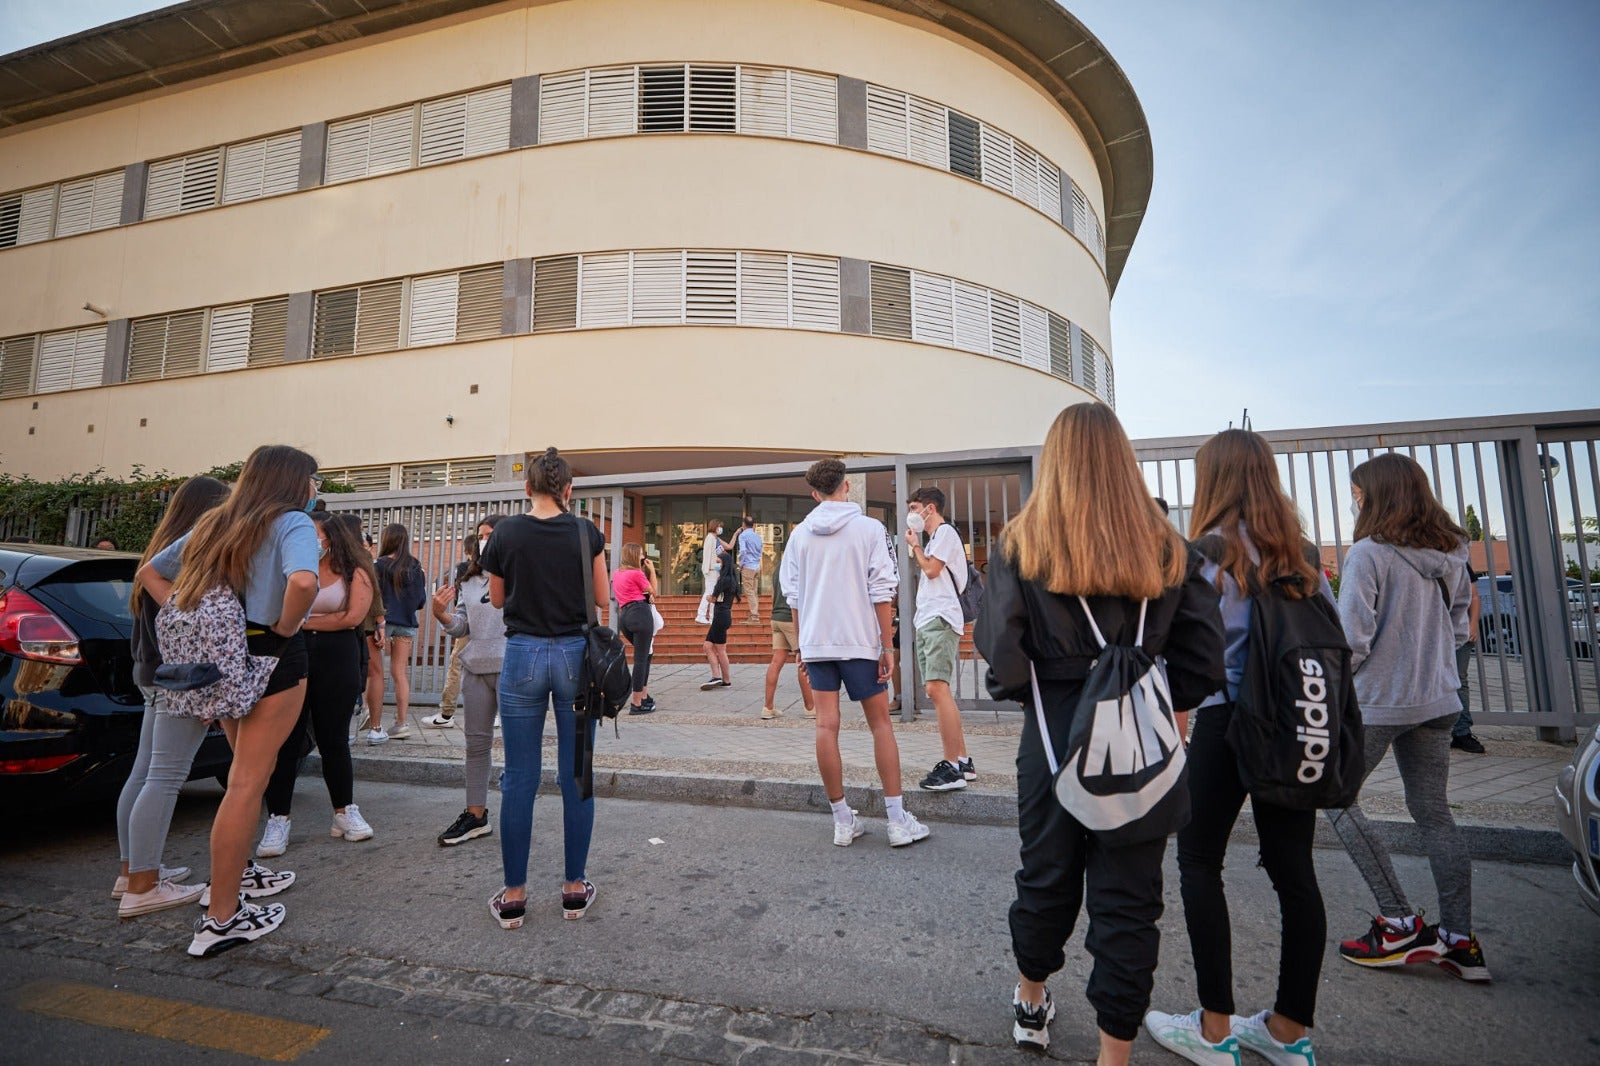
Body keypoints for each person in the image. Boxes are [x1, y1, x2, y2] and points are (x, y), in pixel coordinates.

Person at [974, 404, 1224, 1060]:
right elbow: (1202, 663)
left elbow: (1001, 665)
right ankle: (1115, 1054)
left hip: (1055, 735)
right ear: (1124, 461)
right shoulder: (1169, 547)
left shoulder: (1020, 545)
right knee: (1131, 898)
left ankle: (1032, 1003)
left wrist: (1044, 684)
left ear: (1052, 462)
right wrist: (1164, 699)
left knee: (1046, 874)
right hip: (1140, 735)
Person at [1143, 429, 1331, 1066]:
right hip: (1291, 725)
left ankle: (1215, 1029)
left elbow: (1183, 653)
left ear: (1212, 481)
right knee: (1294, 874)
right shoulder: (1300, 554)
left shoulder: (1204, 553)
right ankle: (1288, 1031)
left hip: (1224, 723)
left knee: (1199, 861)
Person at [139, 444, 322, 957]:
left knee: (241, 778)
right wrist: (286, 627)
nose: (315, 489)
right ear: (292, 481)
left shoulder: (219, 521)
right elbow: (304, 581)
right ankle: (222, 917)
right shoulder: (293, 524)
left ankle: (233, 886)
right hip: (275, 657)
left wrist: (198, 616)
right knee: (246, 785)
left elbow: (152, 573)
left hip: (225, 661)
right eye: (313, 479)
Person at [1327, 453, 1488, 981]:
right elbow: (1462, 621)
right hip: (1440, 700)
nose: (1356, 502)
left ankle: (1397, 922)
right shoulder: (1451, 552)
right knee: (1434, 813)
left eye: (1358, 493)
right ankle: (1460, 942)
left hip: (1378, 702)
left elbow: (1352, 639)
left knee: (1336, 798)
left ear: (1378, 495)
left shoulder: (1368, 554)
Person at [478, 447, 607, 929]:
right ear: (568, 490)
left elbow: (495, 597)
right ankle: (574, 889)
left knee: (520, 777)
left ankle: (514, 895)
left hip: (523, 655)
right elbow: (600, 595)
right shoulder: (584, 531)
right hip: (575, 655)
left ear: (527, 487)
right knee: (576, 775)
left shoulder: (507, 531)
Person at [780, 458, 930, 849]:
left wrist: (801, 644)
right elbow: (883, 590)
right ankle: (897, 820)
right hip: (859, 641)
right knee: (881, 724)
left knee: (825, 726)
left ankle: (843, 820)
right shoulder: (869, 528)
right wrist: (886, 644)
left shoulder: (799, 536)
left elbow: (792, 595)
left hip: (816, 641)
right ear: (846, 487)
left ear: (815, 493)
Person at [112, 476, 230, 917]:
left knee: (145, 773)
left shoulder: (158, 550)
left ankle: (133, 871)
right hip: (178, 678)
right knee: (164, 777)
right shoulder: (188, 554)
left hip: (151, 672)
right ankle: (143, 886)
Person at [257, 511, 377, 858]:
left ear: (332, 538)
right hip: (292, 657)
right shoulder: (292, 568)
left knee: (334, 739)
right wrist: (316, 621)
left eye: (315, 535)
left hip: (337, 660)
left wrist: (300, 621)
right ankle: (278, 819)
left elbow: (352, 618)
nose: (310, 542)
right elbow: (274, 613)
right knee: (286, 740)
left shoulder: (356, 572)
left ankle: (344, 811)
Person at [431, 514, 508, 846]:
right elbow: (462, 625)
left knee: (519, 749)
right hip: (476, 668)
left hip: (513, 668)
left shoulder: (522, 574)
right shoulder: (469, 579)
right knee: (476, 746)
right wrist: (441, 614)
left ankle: (519, 816)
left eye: (490, 535)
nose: (483, 540)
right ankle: (475, 816)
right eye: (480, 536)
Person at [905, 487, 975, 791]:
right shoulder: (938, 538)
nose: (911, 513)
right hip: (930, 618)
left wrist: (916, 547)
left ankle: (952, 768)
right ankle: (962, 761)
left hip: (940, 618)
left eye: (914, 506)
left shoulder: (945, 533)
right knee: (938, 689)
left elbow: (932, 570)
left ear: (929, 508)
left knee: (936, 688)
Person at [369, 523, 426, 743]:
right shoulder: (415, 566)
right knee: (399, 673)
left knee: (375, 672)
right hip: (406, 623)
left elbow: (374, 597)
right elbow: (421, 602)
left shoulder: (379, 565)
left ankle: (372, 720)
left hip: (381, 622)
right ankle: (402, 723)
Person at [424, 533, 479, 727]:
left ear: (465, 551)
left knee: (456, 665)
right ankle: (495, 713)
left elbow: (446, 583)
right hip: (484, 625)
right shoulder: (494, 568)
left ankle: (447, 713)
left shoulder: (462, 569)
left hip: (465, 622)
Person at [762, 549, 815, 720]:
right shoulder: (797, 568)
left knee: (776, 661)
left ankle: (768, 707)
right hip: (791, 618)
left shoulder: (778, 568)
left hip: (776, 617)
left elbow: (772, 594)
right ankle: (810, 707)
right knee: (803, 660)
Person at [612, 542, 660, 715]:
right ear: (633, 555)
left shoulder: (617, 573)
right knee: (641, 659)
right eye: (640, 554)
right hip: (640, 613)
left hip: (625, 616)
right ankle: (637, 703)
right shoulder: (636, 573)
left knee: (646, 654)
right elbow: (653, 592)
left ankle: (644, 695)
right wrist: (652, 571)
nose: (644, 556)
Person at [1451, 569, 1485, 753]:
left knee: (1459, 681)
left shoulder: (1458, 560)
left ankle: (1461, 732)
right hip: (1430, 632)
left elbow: (1474, 596)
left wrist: (1473, 624)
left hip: (1458, 631)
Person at [700, 546, 737, 690]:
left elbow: (714, 598)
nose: (717, 565)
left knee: (720, 649)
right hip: (723, 615)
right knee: (708, 646)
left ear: (724, 564)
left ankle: (723, 679)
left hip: (721, 616)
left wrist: (709, 598)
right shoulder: (731, 579)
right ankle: (717, 676)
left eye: (719, 562)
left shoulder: (724, 580)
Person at [695, 519, 731, 625]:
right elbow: (709, 556)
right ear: (715, 527)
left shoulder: (715, 539)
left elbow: (721, 553)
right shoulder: (710, 538)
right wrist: (712, 568)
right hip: (711, 570)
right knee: (710, 592)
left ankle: (711, 617)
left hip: (715, 570)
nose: (721, 529)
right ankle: (701, 615)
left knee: (714, 593)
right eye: (719, 526)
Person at [737, 516, 764, 623]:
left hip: (748, 566)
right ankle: (755, 614)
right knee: (754, 591)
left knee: (749, 592)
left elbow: (743, 551)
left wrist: (741, 563)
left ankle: (754, 615)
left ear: (744, 524)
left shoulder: (743, 536)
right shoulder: (757, 536)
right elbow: (760, 550)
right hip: (756, 566)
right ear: (753, 524)